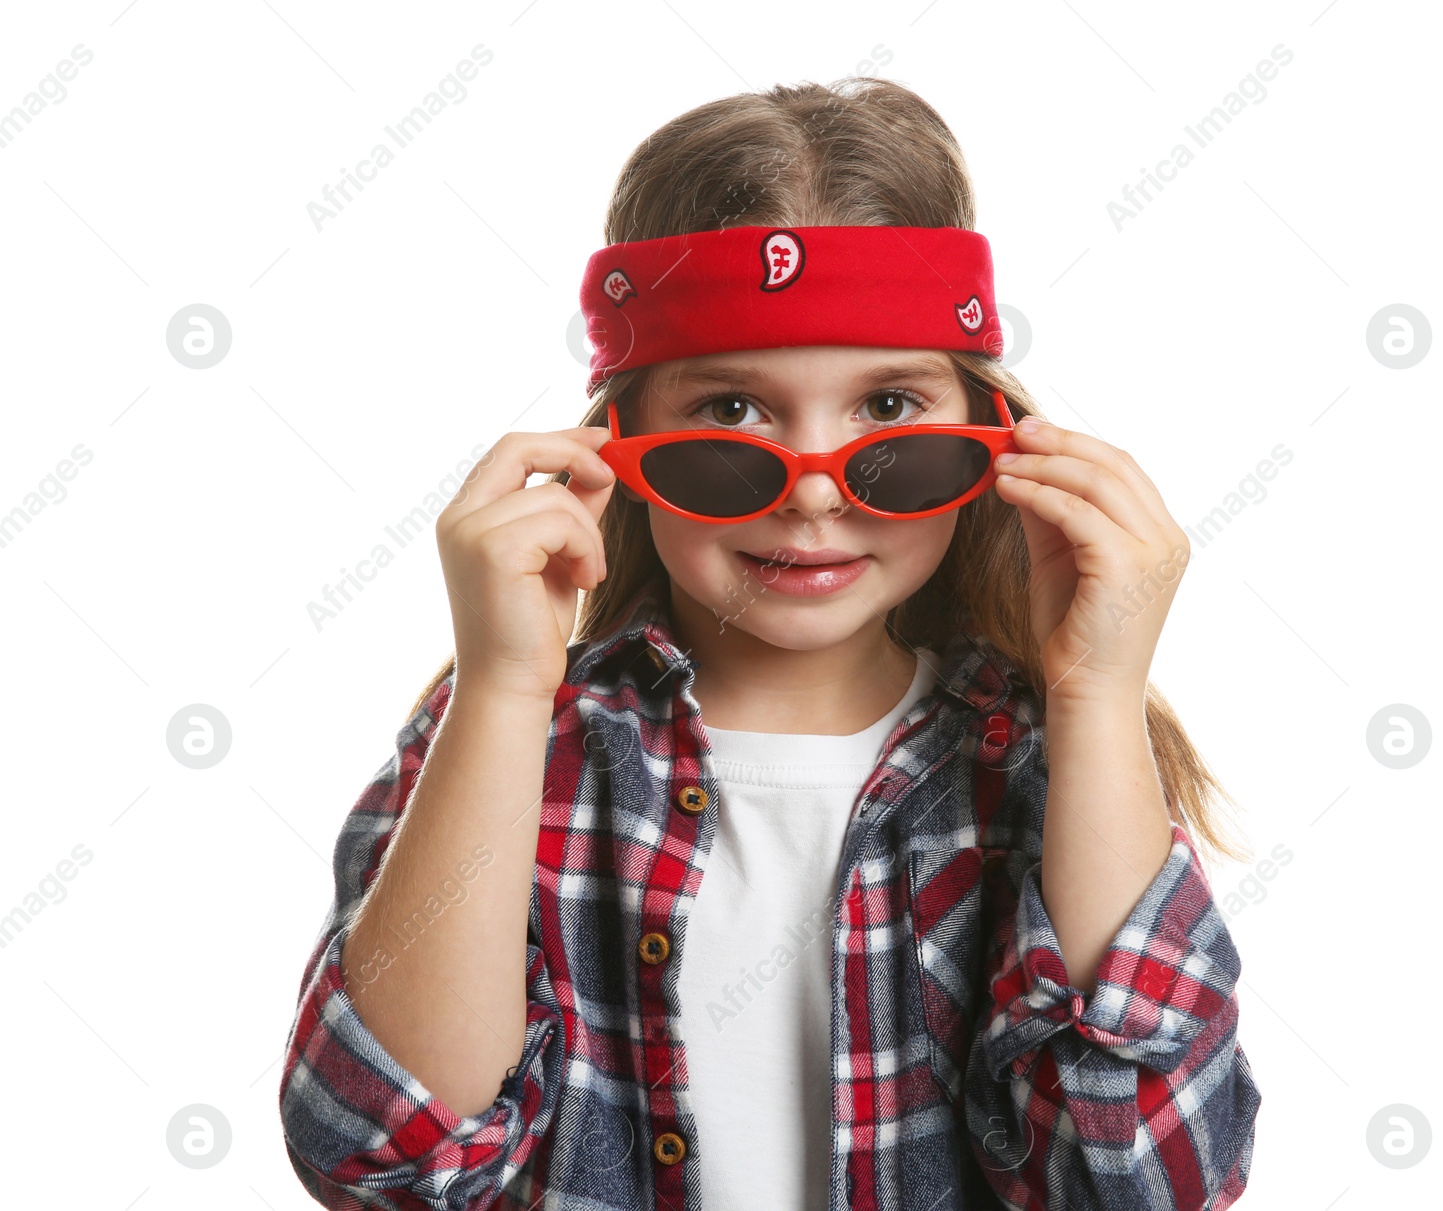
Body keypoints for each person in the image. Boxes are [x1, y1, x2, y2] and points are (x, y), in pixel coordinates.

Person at [278, 77, 1263, 1211]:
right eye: (733, 413)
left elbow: (1142, 1182)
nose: (810, 494)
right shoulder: (515, 746)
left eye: (887, 411)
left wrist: (1095, 693)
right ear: (617, 443)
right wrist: (502, 687)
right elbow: (386, 1163)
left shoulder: (1044, 762)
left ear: (990, 440)